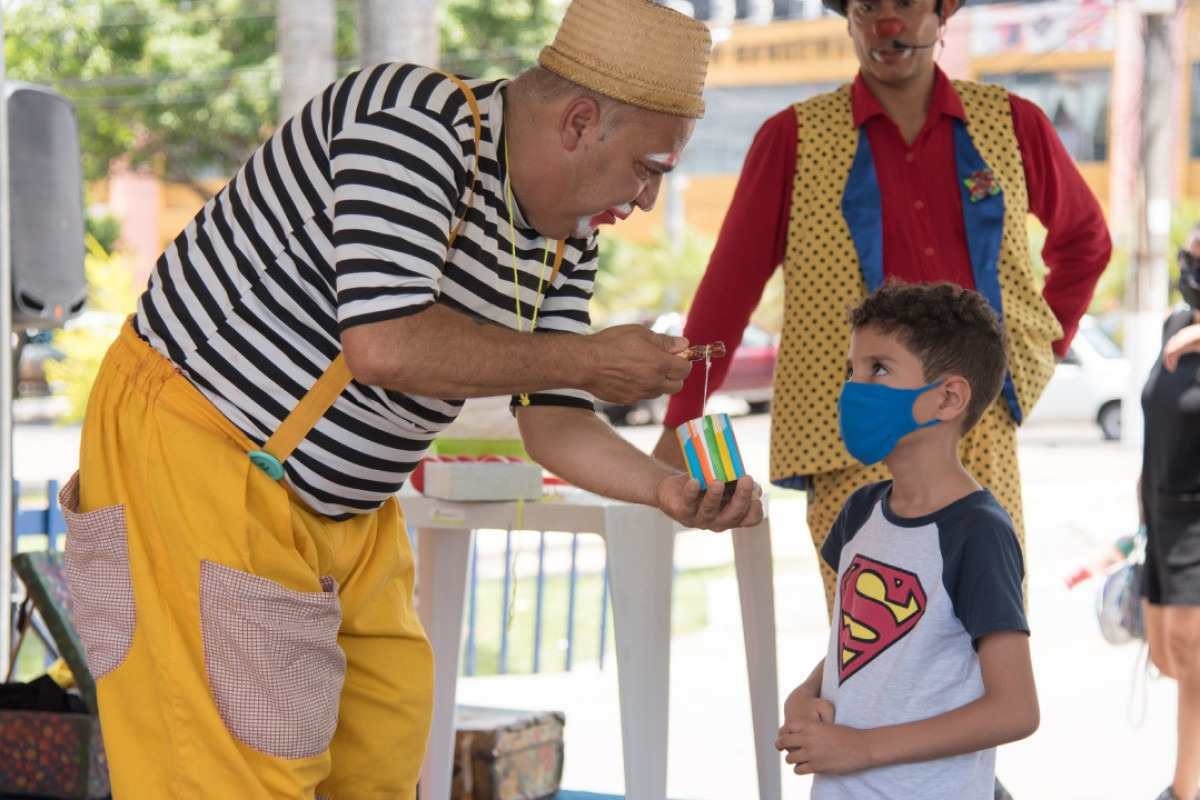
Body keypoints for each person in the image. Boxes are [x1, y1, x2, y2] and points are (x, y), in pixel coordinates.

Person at [60, 2, 763, 798]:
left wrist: (664, 489)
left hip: (344, 507)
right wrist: (590, 357)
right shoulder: (414, 123)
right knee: (234, 769)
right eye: (648, 168)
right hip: (201, 455)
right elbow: (386, 343)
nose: (642, 201)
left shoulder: (565, 235)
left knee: (385, 750)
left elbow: (554, 415)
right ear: (577, 122)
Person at [651, 0, 1112, 613]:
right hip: (850, 433)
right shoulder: (792, 139)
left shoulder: (1012, 123)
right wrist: (682, 419)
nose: (887, 25)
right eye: (868, 7)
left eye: (906, 5)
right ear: (847, 19)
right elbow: (726, 294)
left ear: (943, 15)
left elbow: (1086, 242)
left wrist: (1030, 355)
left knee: (986, 624)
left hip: (973, 426)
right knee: (871, 635)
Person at [775, 281, 1038, 798]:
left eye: (878, 369)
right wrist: (805, 694)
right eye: (852, 369)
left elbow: (1015, 709)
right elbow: (865, 646)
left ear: (948, 397)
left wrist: (863, 748)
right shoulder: (861, 511)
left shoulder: (977, 532)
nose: (853, 388)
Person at [1141, 222, 1200, 800]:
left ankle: (1185, 790)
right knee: (1166, 658)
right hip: (1159, 518)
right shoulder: (1174, 325)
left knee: (1194, 666)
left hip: (1197, 523)